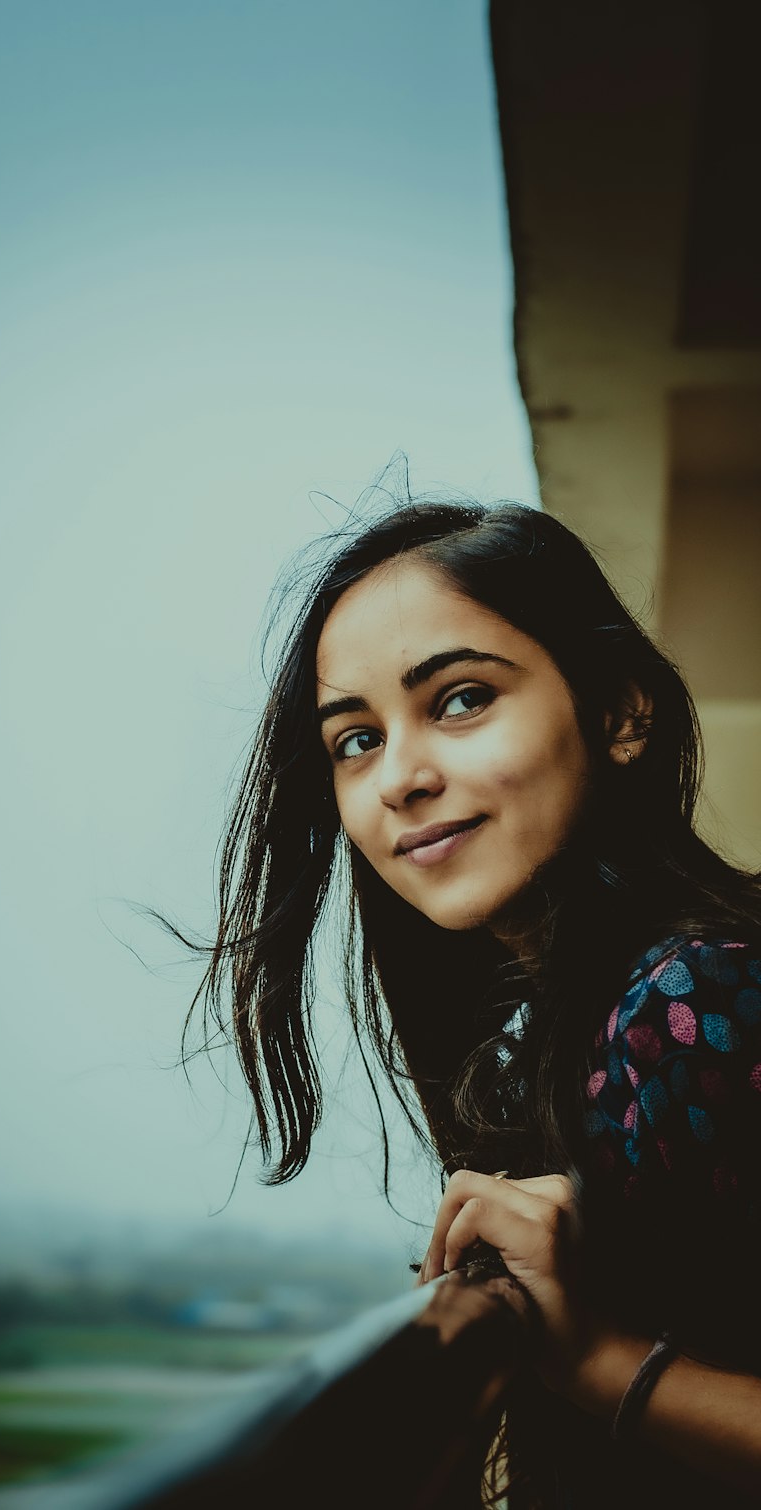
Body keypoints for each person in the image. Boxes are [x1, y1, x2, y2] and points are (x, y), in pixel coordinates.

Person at [186, 495, 761, 1506]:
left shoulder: (690, 998)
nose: (400, 777)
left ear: (619, 712)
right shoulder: (565, 1019)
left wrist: (601, 1361)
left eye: (457, 699)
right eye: (354, 739)